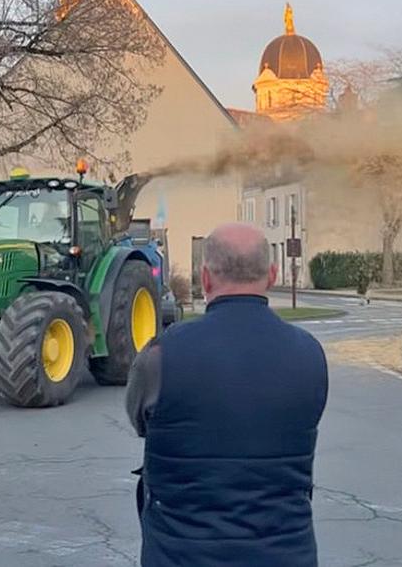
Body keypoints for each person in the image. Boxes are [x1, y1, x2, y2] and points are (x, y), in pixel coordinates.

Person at [125, 223, 329, 567]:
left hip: (180, 555)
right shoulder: (310, 355)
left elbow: (140, 421)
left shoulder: (161, 355)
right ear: (272, 275)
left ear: (205, 278)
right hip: (286, 554)